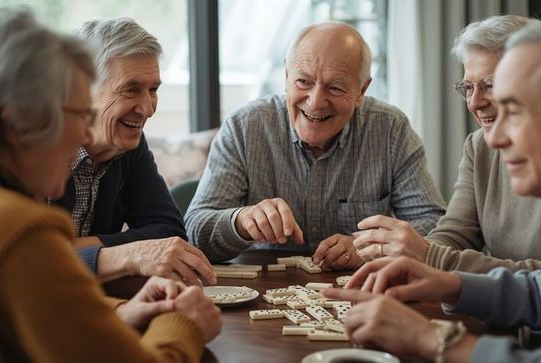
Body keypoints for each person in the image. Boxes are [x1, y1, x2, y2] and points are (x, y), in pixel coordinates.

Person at [324, 14, 541, 362]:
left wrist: (436, 340)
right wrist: (449, 283)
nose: (492, 137)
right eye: (470, 88)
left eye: (515, 111)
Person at [0, 8, 221, 362]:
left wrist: (119, 312)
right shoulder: (17, 228)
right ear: (16, 125)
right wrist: (181, 322)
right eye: (75, 115)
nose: (83, 134)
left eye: (153, 90)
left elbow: (39, 317)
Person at [185, 21, 446, 270]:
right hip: (262, 293)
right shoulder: (245, 126)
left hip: (361, 295)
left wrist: (367, 246)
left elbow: (435, 226)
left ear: (361, 90)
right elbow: (195, 231)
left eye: (334, 87)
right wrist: (240, 222)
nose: (315, 102)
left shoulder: (390, 129)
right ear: (287, 76)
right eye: (303, 82)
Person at [353, 15, 541, 273]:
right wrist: (408, 259)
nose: (474, 103)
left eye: (489, 85)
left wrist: (430, 257)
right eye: (468, 87)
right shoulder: (479, 146)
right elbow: (455, 234)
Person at [51, 18, 215, 285]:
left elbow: (169, 233)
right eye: (131, 89)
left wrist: (76, 248)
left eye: (152, 90)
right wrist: (123, 254)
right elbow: (18, 261)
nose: (147, 109)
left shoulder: (128, 146)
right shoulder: (32, 151)